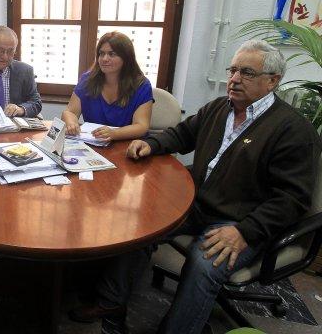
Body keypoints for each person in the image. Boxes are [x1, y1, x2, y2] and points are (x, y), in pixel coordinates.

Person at [69, 40, 321, 334]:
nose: (235, 79)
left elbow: (292, 199)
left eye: (247, 73)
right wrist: (149, 144)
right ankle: (111, 303)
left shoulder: (293, 130)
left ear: (272, 81)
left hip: (242, 220)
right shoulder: (219, 108)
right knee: (136, 227)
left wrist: (245, 231)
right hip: (198, 203)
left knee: (203, 264)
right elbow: (181, 134)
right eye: (233, 70)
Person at [62, 31, 153, 142]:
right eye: (101, 53)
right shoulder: (87, 80)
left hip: (127, 145)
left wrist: (114, 133)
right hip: (94, 143)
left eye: (112, 54)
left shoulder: (141, 85)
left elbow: (141, 126)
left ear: (126, 58)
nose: (104, 59)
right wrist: (71, 123)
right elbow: (70, 112)